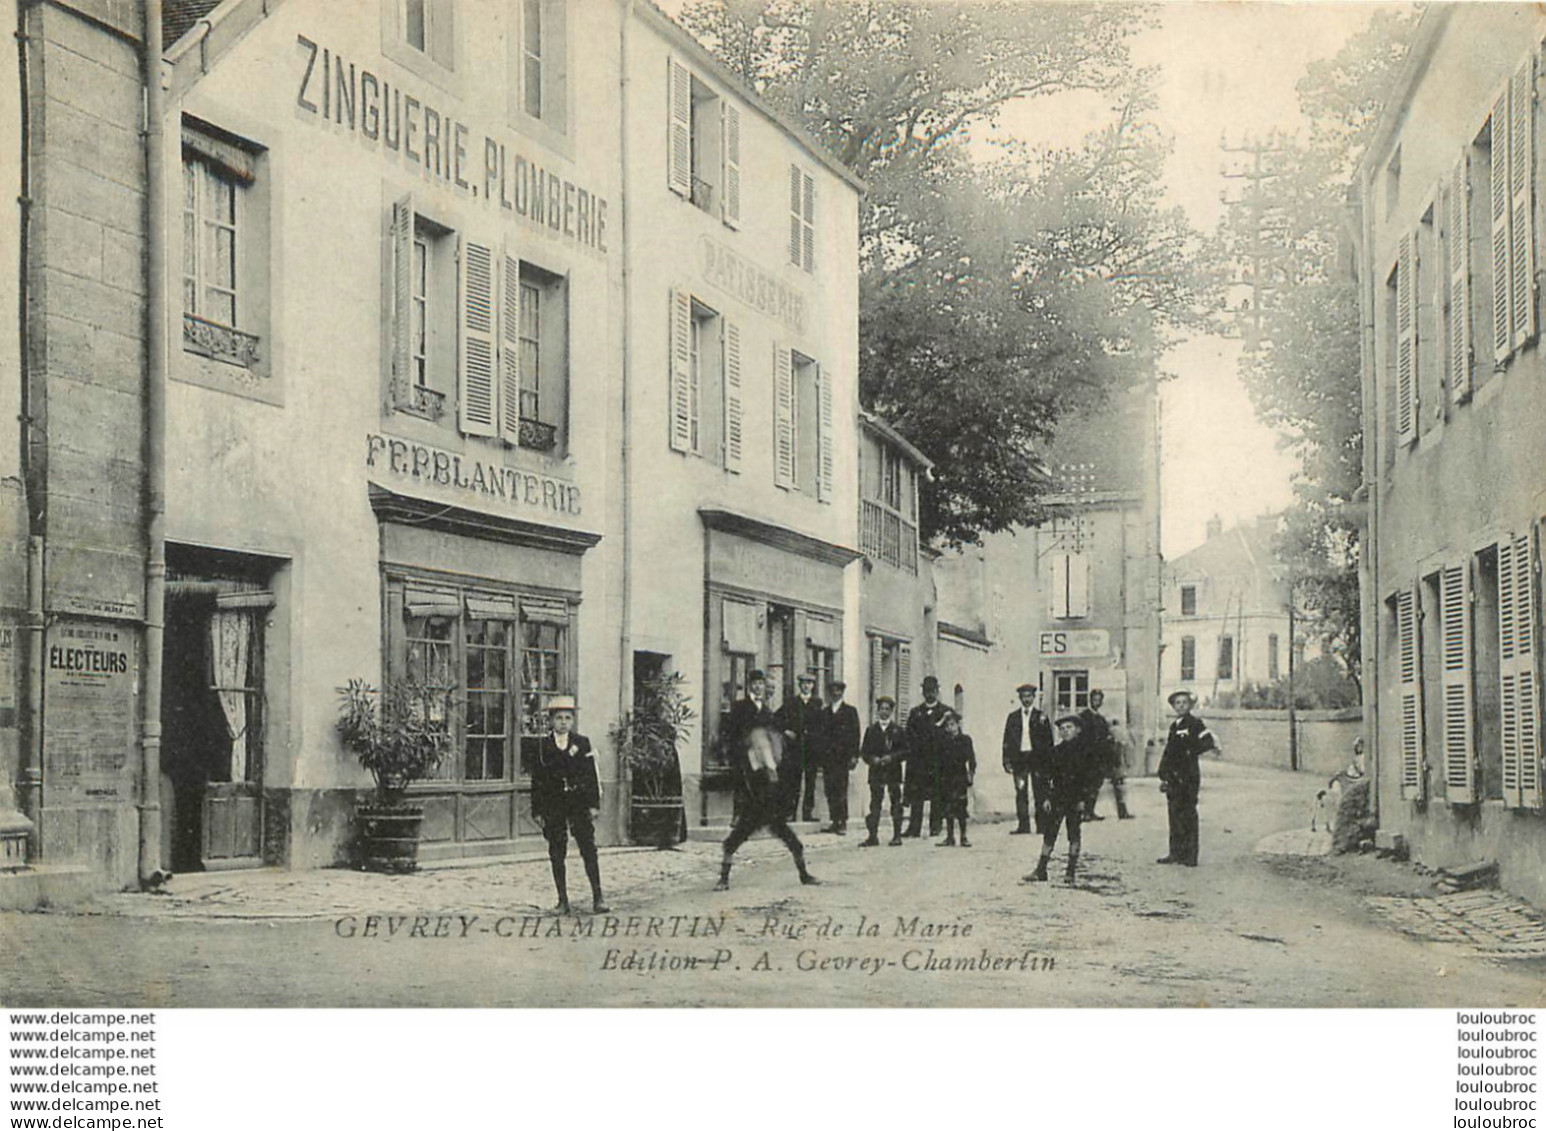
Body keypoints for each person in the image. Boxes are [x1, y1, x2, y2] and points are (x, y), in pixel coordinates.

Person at [715, 672, 820, 892]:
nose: (759, 687)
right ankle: (723, 879)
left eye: (762, 684)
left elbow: (773, 739)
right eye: (755, 684)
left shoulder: (768, 711)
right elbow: (730, 734)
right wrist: (738, 754)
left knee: (788, 837)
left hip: (766, 782)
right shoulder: (740, 708)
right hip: (749, 773)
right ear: (749, 686)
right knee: (737, 837)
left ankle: (803, 874)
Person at [530, 696, 610, 915]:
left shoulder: (581, 743)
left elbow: (591, 775)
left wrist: (593, 804)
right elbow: (536, 780)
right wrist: (537, 809)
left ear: (573, 721)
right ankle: (562, 901)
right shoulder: (542, 746)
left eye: (567, 718)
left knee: (588, 849)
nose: (563, 722)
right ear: (551, 721)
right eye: (558, 718)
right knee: (557, 851)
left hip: (578, 802)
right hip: (553, 804)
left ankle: (598, 898)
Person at [1026, 713, 1097, 884]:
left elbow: (1090, 778)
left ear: (1078, 730)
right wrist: (1046, 798)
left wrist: (1084, 800)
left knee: (1073, 833)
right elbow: (1048, 776)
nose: (1065, 731)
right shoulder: (1056, 752)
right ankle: (1041, 869)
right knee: (1050, 832)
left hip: (1076, 798)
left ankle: (1070, 872)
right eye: (1062, 729)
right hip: (1058, 797)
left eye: (1069, 727)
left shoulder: (1086, 752)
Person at [1157, 689, 1216, 867]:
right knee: (1174, 814)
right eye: (1177, 703)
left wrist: (1191, 751)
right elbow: (1169, 751)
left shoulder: (1195, 723)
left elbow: (1208, 742)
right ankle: (1175, 853)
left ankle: (1190, 856)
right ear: (1173, 707)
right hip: (1173, 777)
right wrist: (1163, 773)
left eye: (1184, 702)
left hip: (1188, 776)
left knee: (1188, 813)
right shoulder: (1175, 726)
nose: (1181, 706)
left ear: (1190, 705)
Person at [1001, 682, 1053, 835]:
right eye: (1024, 696)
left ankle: (1042, 825)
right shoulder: (1013, 717)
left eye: (1029, 696)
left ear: (1034, 697)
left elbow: (1048, 741)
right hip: (1020, 759)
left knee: (1040, 792)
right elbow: (1006, 740)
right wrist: (1006, 760)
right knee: (1021, 792)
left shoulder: (1041, 717)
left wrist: (1049, 761)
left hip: (1037, 759)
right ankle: (1023, 826)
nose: (1027, 699)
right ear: (1020, 698)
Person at [903, 675, 950, 837]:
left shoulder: (945, 712)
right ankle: (914, 827)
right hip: (919, 761)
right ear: (922, 692)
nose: (929, 694)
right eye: (927, 691)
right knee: (917, 795)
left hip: (938, 760)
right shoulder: (915, 713)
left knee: (937, 793)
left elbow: (949, 736)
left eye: (932, 691)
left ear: (937, 691)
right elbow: (909, 735)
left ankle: (935, 825)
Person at [859, 695, 907, 847]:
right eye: (881, 709)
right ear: (877, 711)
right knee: (875, 804)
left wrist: (892, 758)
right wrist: (872, 759)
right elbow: (864, 752)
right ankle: (873, 836)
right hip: (876, 772)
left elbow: (906, 751)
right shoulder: (871, 730)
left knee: (895, 803)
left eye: (887, 709)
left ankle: (897, 835)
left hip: (893, 771)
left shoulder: (898, 730)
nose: (884, 712)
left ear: (891, 711)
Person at [777, 672, 825, 822]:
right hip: (794, 748)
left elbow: (822, 725)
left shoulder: (818, 704)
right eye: (804, 683)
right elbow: (776, 719)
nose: (806, 686)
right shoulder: (791, 702)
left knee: (810, 781)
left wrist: (817, 739)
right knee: (792, 781)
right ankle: (789, 812)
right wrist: (786, 731)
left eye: (809, 683)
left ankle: (807, 812)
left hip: (811, 749)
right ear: (799, 685)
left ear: (813, 686)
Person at [821, 680, 861, 835]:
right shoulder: (825, 712)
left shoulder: (850, 711)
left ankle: (842, 821)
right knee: (829, 789)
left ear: (842, 693)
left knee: (841, 788)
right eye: (832, 691)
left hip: (843, 757)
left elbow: (855, 735)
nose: (835, 694)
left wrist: (854, 756)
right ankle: (834, 820)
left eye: (838, 691)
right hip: (828, 758)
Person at [1078, 689, 1122, 821]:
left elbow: (1105, 736)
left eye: (1099, 700)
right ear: (1090, 700)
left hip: (1099, 757)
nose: (1097, 702)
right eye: (1094, 700)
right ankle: (1084, 812)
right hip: (1088, 756)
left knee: (1096, 785)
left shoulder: (1101, 719)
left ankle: (1090, 811)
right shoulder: (1083, 716)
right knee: (1086, 785)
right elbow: (1081, 737)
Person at [935, 710, 977, 847]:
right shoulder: (943, 741)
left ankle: (964, 836)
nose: (950, 728)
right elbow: (934, 735)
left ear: (958, 725)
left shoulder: (965, 740)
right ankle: (950, 837)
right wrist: (942, 720)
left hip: (959, 777)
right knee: (948, 807)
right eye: (947, 725)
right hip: (946, 777)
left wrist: (970, 773)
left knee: (961, 807)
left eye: (952, 724)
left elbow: (972, 759)